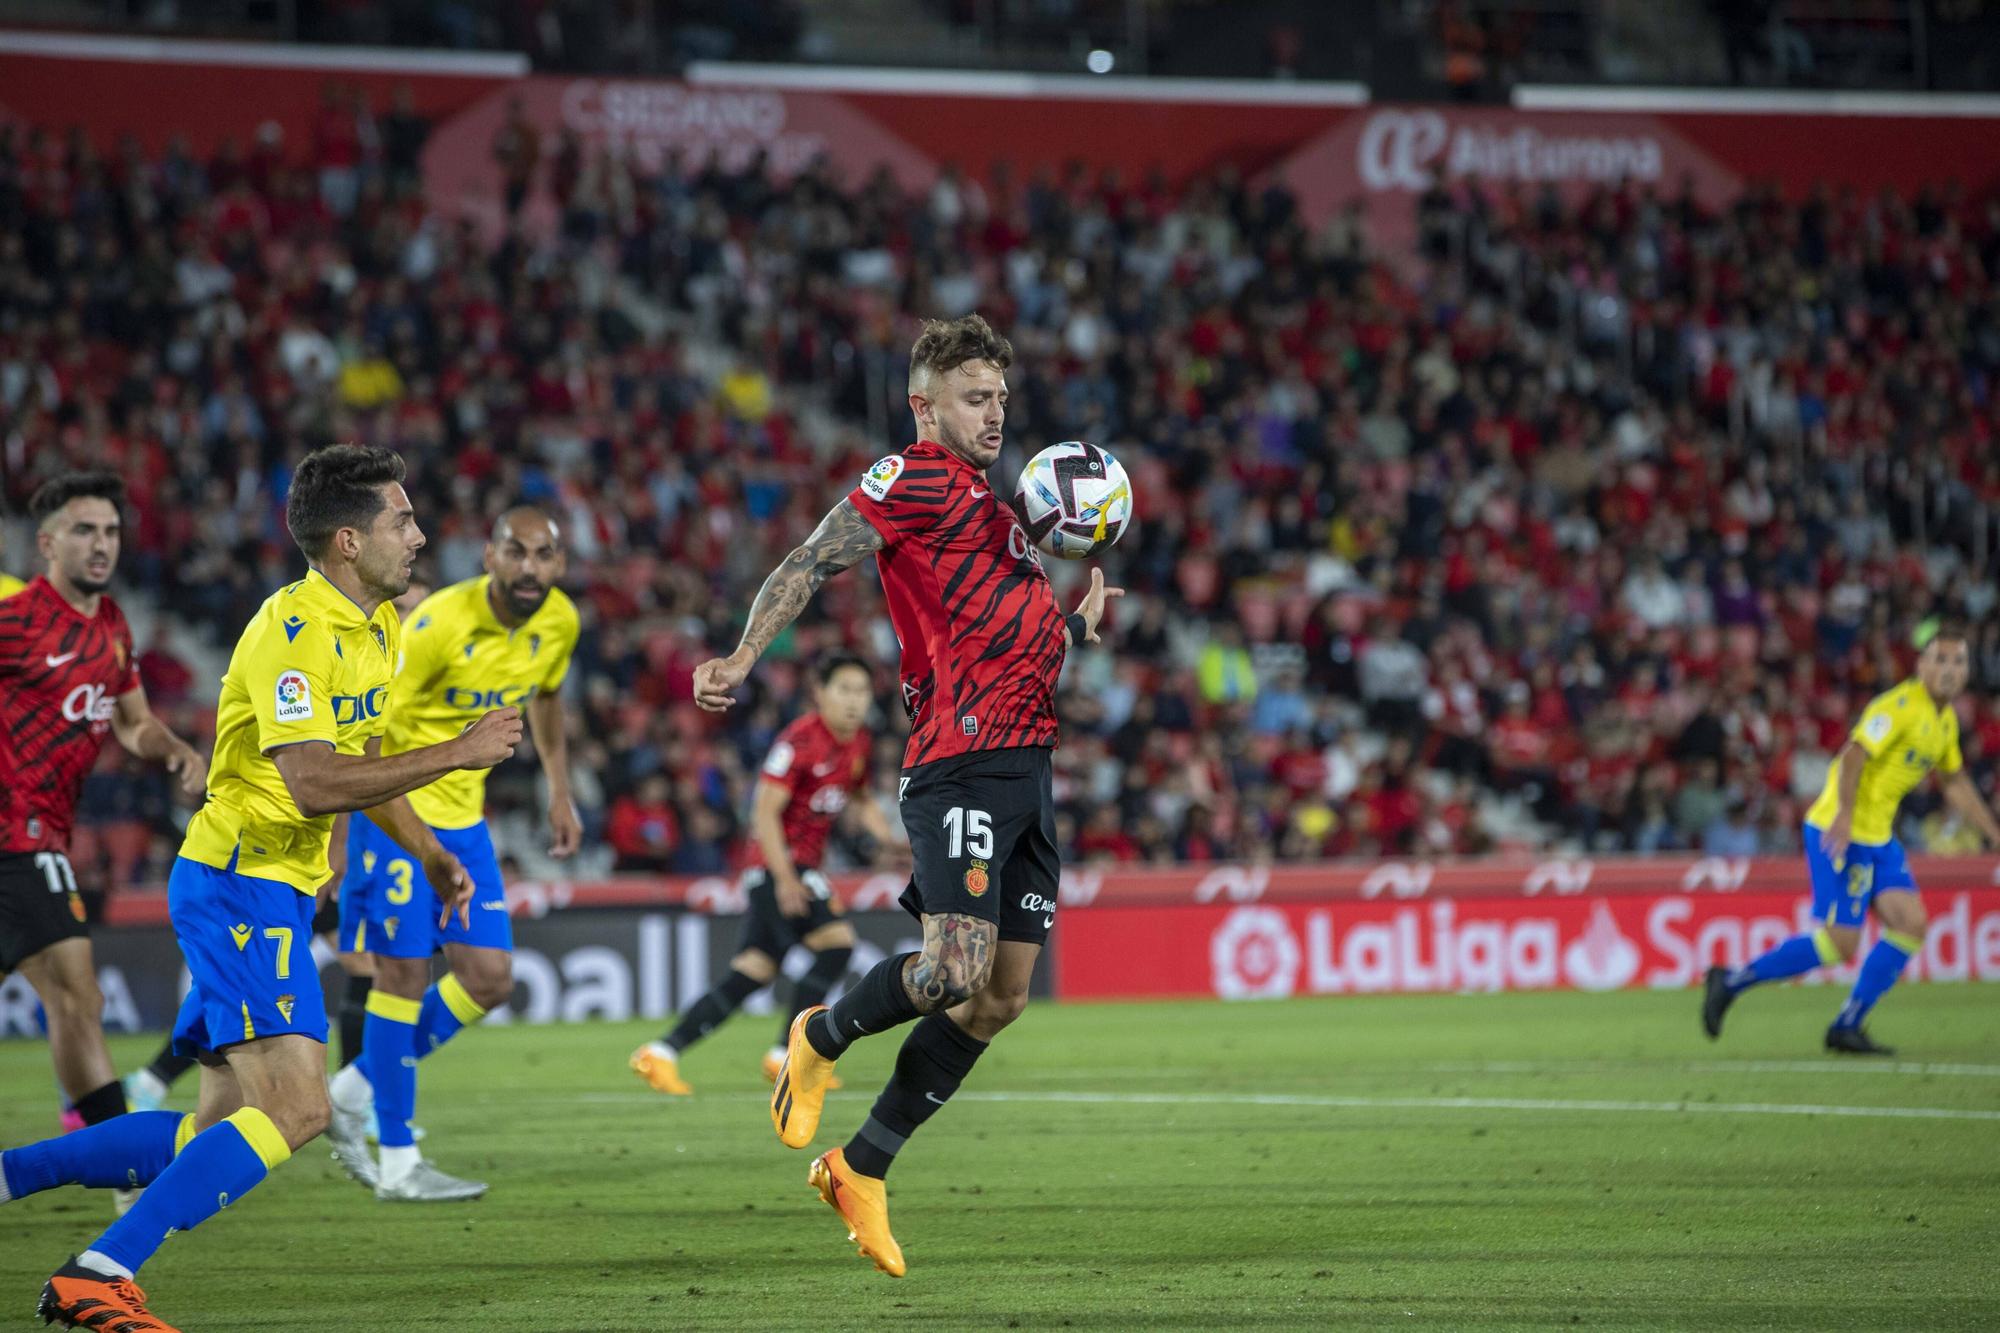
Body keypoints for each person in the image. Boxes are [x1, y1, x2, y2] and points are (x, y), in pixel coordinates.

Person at [3, 445, 521, 1331]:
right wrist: (460, 750)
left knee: (216, 1129)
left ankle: (10, 1174)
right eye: (403, 518)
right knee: (300, 1106)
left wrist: (430, 851)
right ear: (350, 540)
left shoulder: (377, 626)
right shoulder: (295, 633)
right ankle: (100, 1269)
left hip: (266, 888)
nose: (421, 534)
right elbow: (315, 782)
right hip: (239, 881)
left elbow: (361, 761)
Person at [693, 313, 1121, 1278]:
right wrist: (744, 654)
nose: (996, 413)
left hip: (1028, 773)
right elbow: (809, 558)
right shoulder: (916, 478)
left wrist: (1077, 626)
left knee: (1001, 997)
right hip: (957, 764)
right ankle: (818, 1032)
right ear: (926, 405)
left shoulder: (1005, 515)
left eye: (1003, 397)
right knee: (951, 971)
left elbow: (1011, 638)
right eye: (977, 397)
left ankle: (861, 1164)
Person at [325, 507, 579, 1200]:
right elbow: (365, 738)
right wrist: (346, 837)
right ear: (489, 556)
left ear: (560, 564)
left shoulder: (560, 621)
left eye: (545, 555)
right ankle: (400, 1161)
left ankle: (348, 1092)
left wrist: (560, 789)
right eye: (516, 552)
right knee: (401, 979)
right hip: (397, 815)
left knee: (490, 978)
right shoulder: (435, 625)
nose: (531, 567)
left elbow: (549, 697)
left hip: (465, 820)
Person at [123, 582, 435, 1115]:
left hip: (304, 857)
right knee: (301, 1087)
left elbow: (352, 758)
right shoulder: (308, 637)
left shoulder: (385, 650)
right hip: (259, 857)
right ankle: (352, 1108)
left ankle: (151, 1088)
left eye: (416, 610)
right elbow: (324, 776)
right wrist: (457, 753)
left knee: (228, 1086)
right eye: (405, 607)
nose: (406, 616)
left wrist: (347, 850)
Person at [0, 472, 206, 1207]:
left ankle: (115, 1157)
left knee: (74, 998)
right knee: (75, 995)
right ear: (47, 542)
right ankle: (122, 1161)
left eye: (112, 531)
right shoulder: (17, 619)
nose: (101, 544)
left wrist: (175, 748)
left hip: (41, 835)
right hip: (12, 832)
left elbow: (131, 721)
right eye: (84, 530)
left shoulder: (113, 624)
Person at [1703, 623, 2000, 1054]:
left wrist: (1991, 830)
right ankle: (1730, 983)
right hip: (1840, 831)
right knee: (1840, 943)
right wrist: (1842, 814)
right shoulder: (1899, 706)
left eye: (1958, 661)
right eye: (1940, 659)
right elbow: (1853, 754)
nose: (1949, 669)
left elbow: (1953, 779)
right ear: (1921, 665)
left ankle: (1847, 1024)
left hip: (1878, 837)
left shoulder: (1946, 721)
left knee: (1911, 924)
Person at [632, 653, 903, 1095]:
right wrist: (785, 879)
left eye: (862, 691)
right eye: (844, 690)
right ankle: (786, 1055)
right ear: (820, 693)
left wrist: (889, 841)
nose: (854, 701)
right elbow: (764, 811)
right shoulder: (798, 742)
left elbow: (860, 797)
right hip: (775, 867)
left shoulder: (858, 743)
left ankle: (662, 1052)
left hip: (797, 868)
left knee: (752, 972)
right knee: (837, 945)